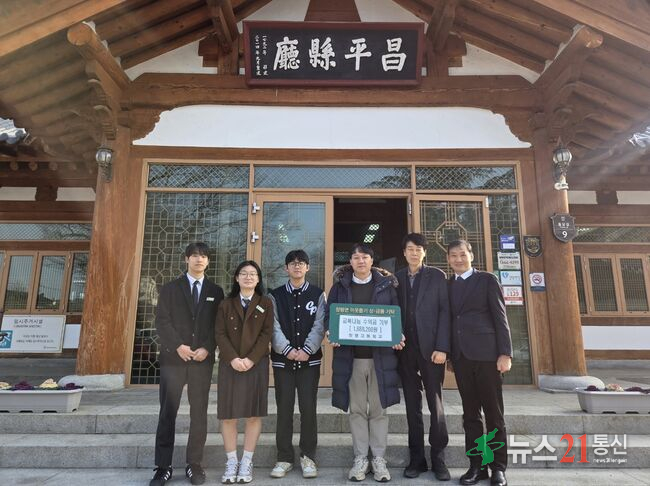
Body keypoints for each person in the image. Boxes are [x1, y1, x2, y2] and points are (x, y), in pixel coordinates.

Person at [326, 243, 404, 482]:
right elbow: (330, 316)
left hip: (380, 359)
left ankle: (378, 459)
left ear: (372, 261)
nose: (360, 261)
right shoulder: (340, 287)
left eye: (365, 257)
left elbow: (395, 315)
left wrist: (398, 334)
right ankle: (360, 458)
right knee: (357, 411)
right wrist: (331, 332)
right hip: (352, 360)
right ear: (350, 262)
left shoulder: (386, 286)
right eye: (356, 257)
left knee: (379, 411)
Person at [151, 242, 224, 486]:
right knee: (167, 412)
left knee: (199, 413)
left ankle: (195, 464)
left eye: (203, 256)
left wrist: (207, 347)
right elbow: (162, 321)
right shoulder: (171, 288)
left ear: (208, 261)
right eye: (194, 255)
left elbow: (218, 325)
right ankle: (163, 467)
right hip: (174, 359)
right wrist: (177, 346)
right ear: (186, 259)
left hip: (201, 361)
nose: (199, 259)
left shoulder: (216, 291)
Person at [447, 240, 513, 486]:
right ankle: (477, 465)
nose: (458, 259)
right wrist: (450, 354)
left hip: (487, 356)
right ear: (448, 259)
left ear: (471, 256)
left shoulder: (486, 280)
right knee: (470, 415)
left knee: (494, 414)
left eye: (462, 255)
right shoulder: (448, 284)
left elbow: (500, 316)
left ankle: (498, 468)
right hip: (461, 357)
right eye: (453, 256)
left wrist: (505, 353)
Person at [395, 233, 451, 480]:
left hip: (432, 351)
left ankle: (439, 458)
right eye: (410, 248)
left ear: (424, 252)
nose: (414, 252)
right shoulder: (396, 278)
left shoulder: (437, 276)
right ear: (404, 252)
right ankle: (416, 459)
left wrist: (443, 347)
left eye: (418, 249)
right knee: (411, 406)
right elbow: (390, 311)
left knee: (435, 404)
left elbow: (445, 312)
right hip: (405, 350)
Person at [268, 250, 326, 479]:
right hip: (283, 362)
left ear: (308, 267)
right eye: (292, 263)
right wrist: (287, 350)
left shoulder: (318, 294)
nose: (297, 266)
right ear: (286, 268)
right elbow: (273, 326)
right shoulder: (275, 295)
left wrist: (307, 350)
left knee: (308, 409)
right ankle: (284, 458)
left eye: (301, 263)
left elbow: (320, 324)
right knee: (284, 409)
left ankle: (308, 456)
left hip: (309, 362)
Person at [215, 260, 274, 484]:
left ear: (258, 279)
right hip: (229, 365)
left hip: (256, 365)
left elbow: (266, 334)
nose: (248, 277)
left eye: (253, 274)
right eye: (244, 273)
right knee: (228, 415)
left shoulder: (265, 303)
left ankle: (247, 461)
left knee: (253, 414)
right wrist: (233, 358)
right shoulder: (225, 304)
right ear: (236, 278)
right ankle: (231, 461)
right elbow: (219, 334)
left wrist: (250, 359)